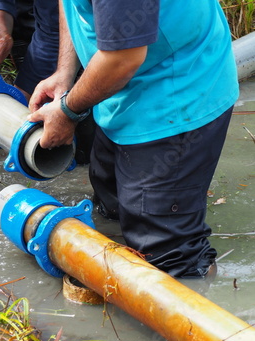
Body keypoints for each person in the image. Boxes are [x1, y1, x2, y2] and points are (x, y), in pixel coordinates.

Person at [27, 0, 239, 278]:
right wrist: (64, 73)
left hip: (177, 91)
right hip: (117, 85)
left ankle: (198, 303)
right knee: (111, 207)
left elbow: (122, 58)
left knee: (171, 260)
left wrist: (67, 110)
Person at [0, 0, 94, 163]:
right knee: (51, 121)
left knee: (86, 136)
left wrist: (20, 98)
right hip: (28, 24)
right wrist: (0, 32)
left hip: (76, 29)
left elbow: (55, 28)